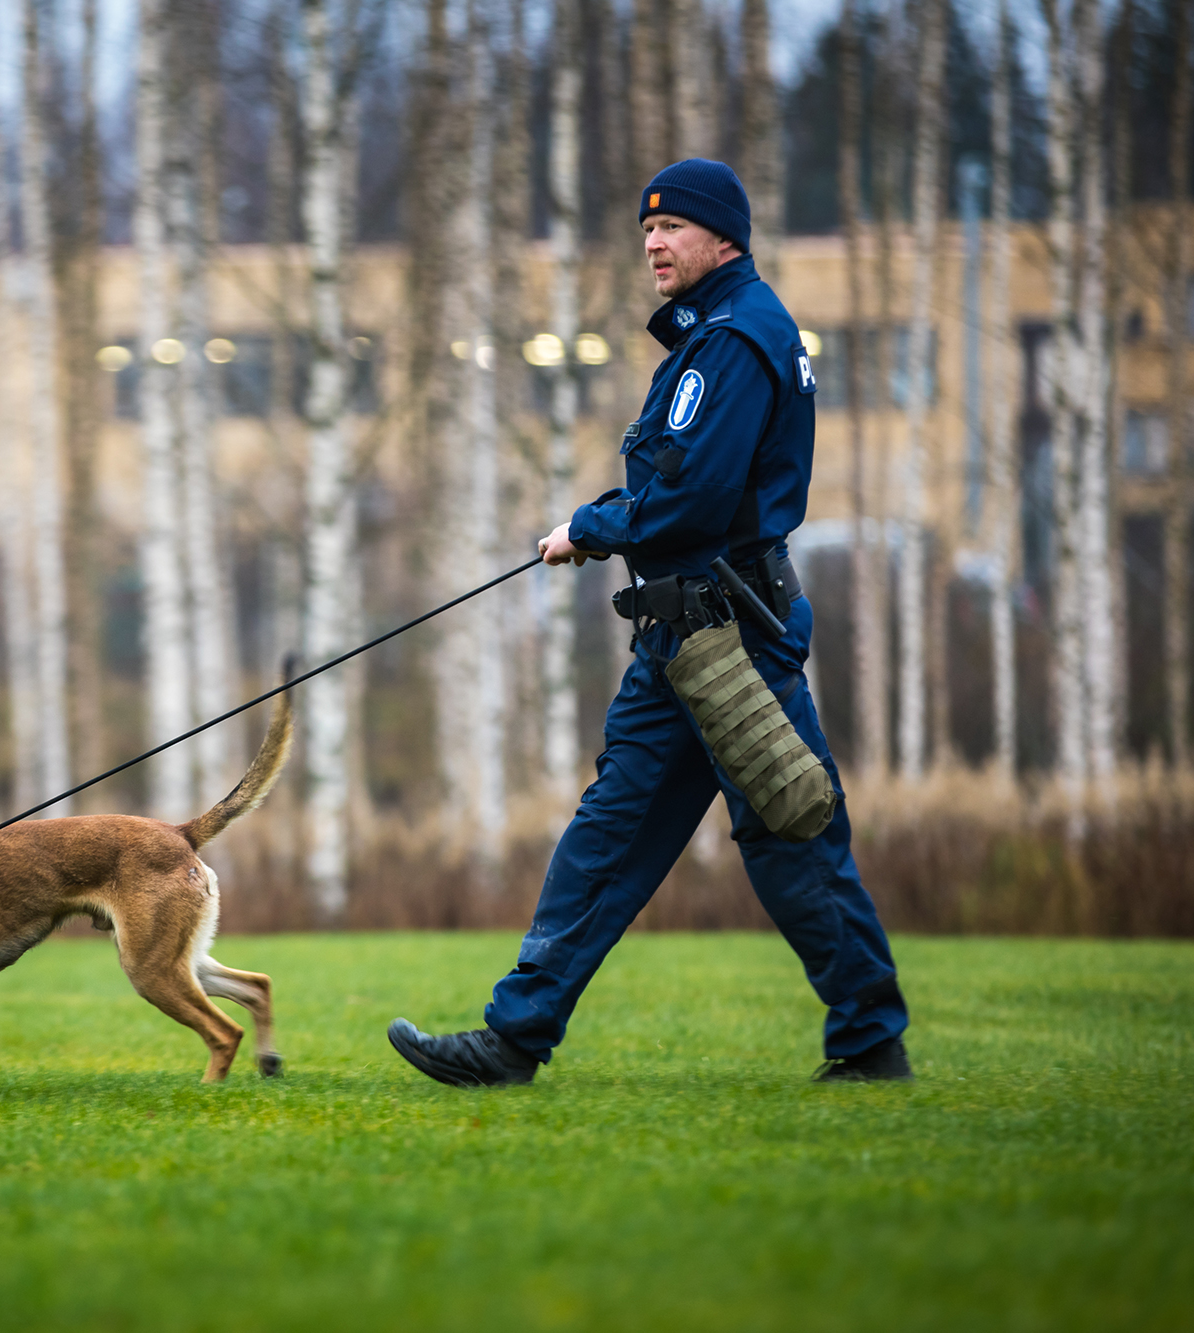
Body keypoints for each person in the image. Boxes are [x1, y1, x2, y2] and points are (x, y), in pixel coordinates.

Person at [388, 159, 912, 1087]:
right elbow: (675, 485)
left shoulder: (736, 341)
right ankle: (514, 1038)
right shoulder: (717, 335)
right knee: (609, 836)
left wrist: (588, 528)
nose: (653, 245)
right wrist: (602, 520)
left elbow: (691, 504)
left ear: (725, 239)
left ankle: (870, 1043)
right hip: (681, 641)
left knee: (791, 837)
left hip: (734, 642)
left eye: (671, 229)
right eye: (645, 231)